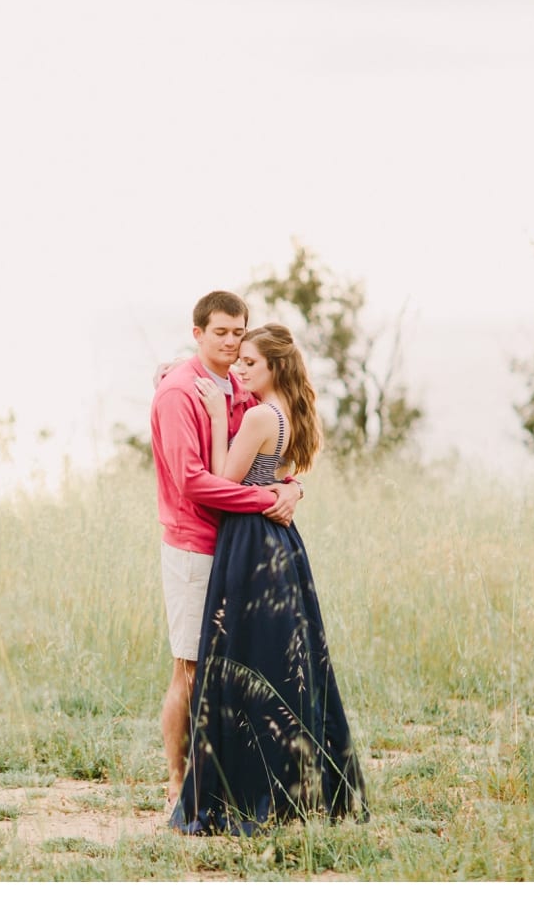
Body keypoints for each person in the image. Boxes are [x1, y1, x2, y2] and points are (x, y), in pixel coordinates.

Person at [169, 323, 369, 835]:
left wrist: (216, 416)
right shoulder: (291, 414)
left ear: (274, 366)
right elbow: (278, 475)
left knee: (240, 659)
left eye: (250, 362)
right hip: (279, 540)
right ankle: (292, 785)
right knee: (282, 663)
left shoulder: (259, 415)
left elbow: (219, 478)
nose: (240, 369)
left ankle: (241, 789)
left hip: (249, 540)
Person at [149, 291, 303, 808]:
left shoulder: (241, 385)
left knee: (236, 669)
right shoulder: (178, 393)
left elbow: (270, 450)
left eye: (239, 332)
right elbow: (194, 482)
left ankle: (220, 785)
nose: (233, 342)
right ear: (198, 333)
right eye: (221, 332)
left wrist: (292, 487)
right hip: (196, 546)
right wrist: (264, 498)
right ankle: (176, 785)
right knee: (189, 669)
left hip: (239, 549)